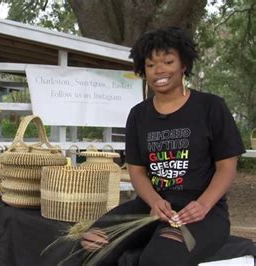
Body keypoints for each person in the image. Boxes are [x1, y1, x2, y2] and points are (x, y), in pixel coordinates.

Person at [79, 27, 246, 266]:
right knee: (91, 243)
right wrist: (154, 201)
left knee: (158, 259)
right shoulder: (138, 115)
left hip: (200, 213)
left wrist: (203, 205)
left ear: (183, 65)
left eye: (168, 61)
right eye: (150, 65)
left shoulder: (211, 107)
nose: (159, 70)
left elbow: (227, 167)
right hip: (150, 206)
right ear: (143, 70)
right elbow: (136, 171)